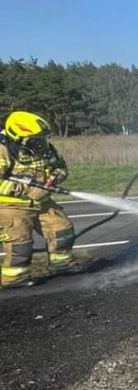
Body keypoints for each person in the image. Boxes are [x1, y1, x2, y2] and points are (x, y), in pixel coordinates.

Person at [0, 111, 76, 288]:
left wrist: (56, 177)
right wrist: (28, 190)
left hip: (42, 202)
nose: (40, 142)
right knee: (20, 242)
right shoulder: (3, 149)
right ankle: (14, 278)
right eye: (34, 139)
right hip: (10, 205)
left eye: (41, 138)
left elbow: (60, 167)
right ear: (18, 136)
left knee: (62, 229)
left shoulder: (44, 147)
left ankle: (61, 265)